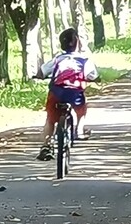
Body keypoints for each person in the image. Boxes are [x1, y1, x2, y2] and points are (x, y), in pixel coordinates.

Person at [39, 28, 98, 160]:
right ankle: (79, 130)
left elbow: (42, 72)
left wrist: (39, 76)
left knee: (50, 119)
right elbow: (92, 75)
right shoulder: (84, 60)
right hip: (75, 93)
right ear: (77, 42)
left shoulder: (57, 59)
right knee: (81, 110)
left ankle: (46, 146)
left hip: (57, 93)